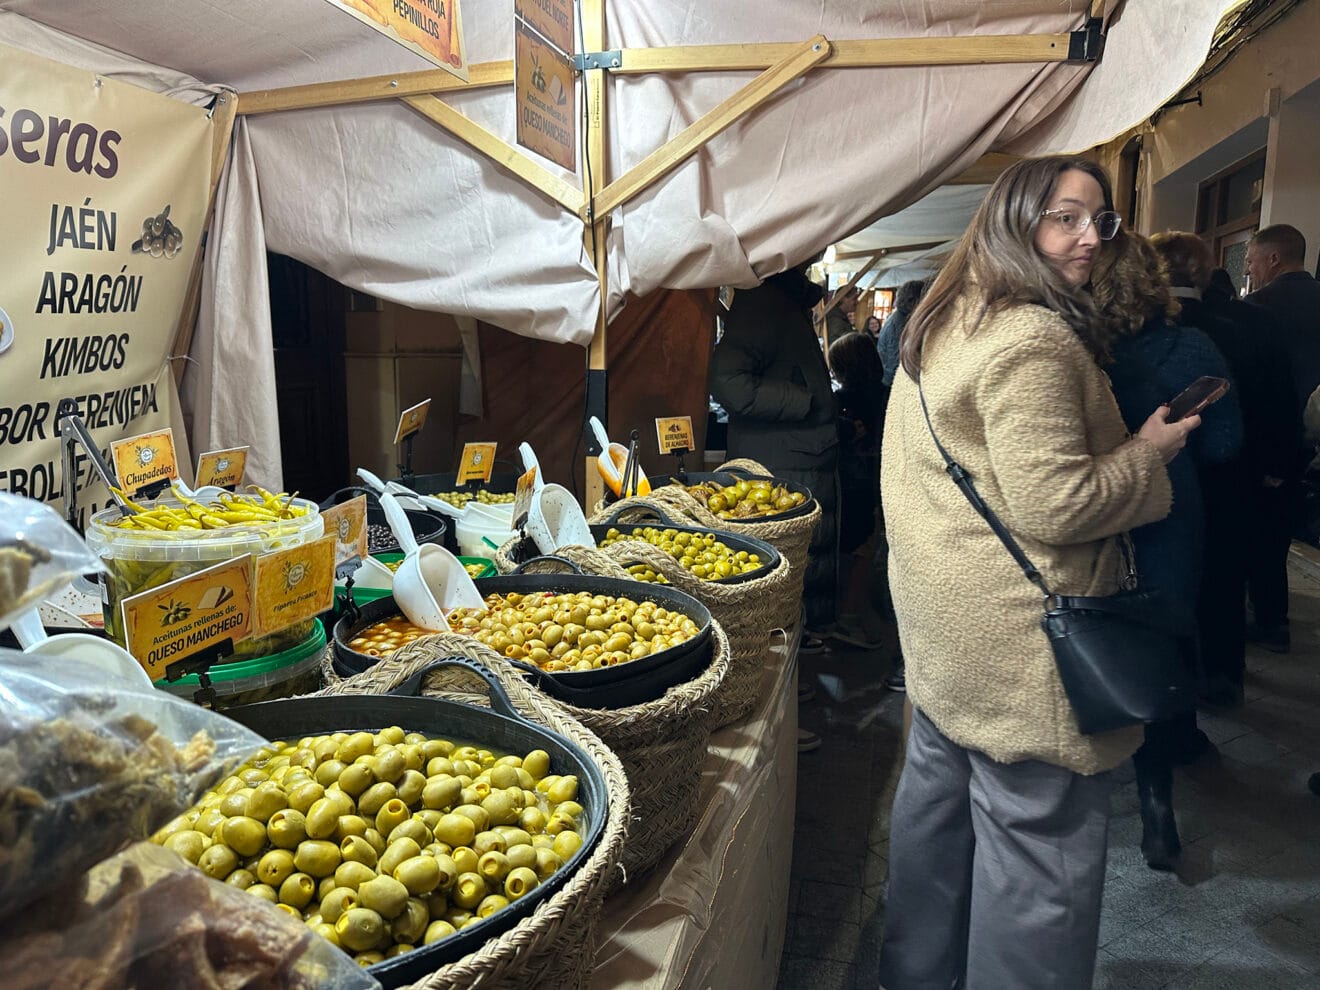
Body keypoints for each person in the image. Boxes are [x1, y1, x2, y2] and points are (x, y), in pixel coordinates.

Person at [878, 156, 1199, 990]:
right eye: (1066, 217)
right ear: (1014, 221)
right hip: (1024, 652)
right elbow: (1059, 504)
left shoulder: (944, 318)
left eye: (1101, 220)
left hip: (948, 636)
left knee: (934, 829)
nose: (1091, 237)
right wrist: (1150, 452)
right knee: (1038, 865)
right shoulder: (1032, 340)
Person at [1094, 231, 1241, 870]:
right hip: (1172, 516)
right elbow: (1226, 443)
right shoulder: (1194, 348)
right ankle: (1159, 811)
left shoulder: (1074, 349)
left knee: (1091, 636)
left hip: (1095, 518)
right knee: (1161, 646)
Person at [1151, 233, 1299, 701]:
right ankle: (1223, 676)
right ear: (1205, 272)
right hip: (1236, 476)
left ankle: (1166, 683)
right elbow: (1280, 402)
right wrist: (1278, 464)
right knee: (1226, 574)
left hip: (1157, 479)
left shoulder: (1136, 329)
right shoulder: (1253, 322)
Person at [708, 263, 840, 709]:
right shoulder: (764, 302)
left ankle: (798, 664)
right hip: (782, 458)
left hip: (798, 454)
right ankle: (780, 689)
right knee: (782, 573)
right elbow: (728, 382)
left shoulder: (784, 301)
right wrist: (804, 402)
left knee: (797, 567)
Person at [1241, 224, 1320, 651]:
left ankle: (1268, 619)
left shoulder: (1257, 309)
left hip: (1268, 438)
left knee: (1261, 532)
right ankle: (1273, 619)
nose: (1248, 269)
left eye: (1251, 260)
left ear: (1273, 259)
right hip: (1310, 441)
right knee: (1283, 530)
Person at [827, 332, 889, 648]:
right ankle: (850, 616)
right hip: (876, 483)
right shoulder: (888, 397)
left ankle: (842, 615)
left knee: (845, 550)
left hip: (844, 483)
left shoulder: (838, 403)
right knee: (864, 551)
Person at [877, 279, 927, 387]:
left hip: (890, 380)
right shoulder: (900, 323)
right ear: (913, 301)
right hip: (892, 383)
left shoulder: (898, 318)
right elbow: (896, 361)